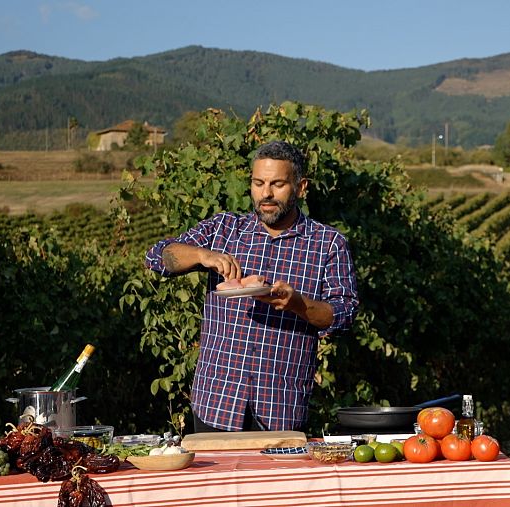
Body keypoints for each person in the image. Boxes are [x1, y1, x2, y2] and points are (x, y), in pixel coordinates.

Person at [145, 140, 359, 432]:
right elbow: (157, 257)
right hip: (216, 402)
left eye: (277, 184)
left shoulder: (328, 243)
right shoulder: (223, 229)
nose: (266, 193)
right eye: (258, 183)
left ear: (301, 187)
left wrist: (298, 305)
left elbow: (344, 315)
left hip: (280, 406)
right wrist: (202, 255)